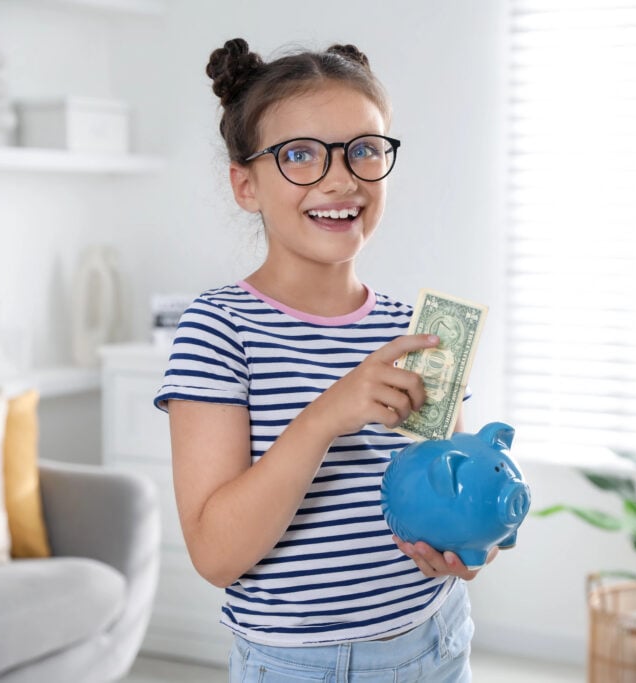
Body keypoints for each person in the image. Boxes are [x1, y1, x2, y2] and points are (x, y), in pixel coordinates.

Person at [154, 38, 494, 682]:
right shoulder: (219, 330)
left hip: (437, 638)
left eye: (364, 149)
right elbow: (217, 555)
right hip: (299, 664)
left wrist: (467, 544)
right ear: (245, 184)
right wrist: (325, 417)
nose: (342, 178)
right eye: (300, 155)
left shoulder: (413, 330)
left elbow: (452, 493)